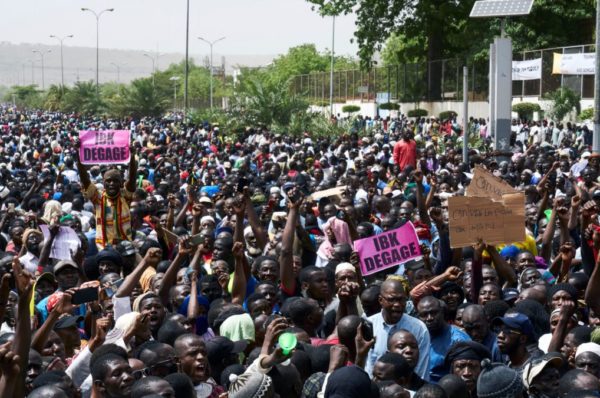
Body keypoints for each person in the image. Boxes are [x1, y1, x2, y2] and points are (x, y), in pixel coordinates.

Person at [366, 277, 431, 380]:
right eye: (391, 300)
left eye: (401, 299)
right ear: (380, 300)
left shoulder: (418, 328)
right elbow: (367, 366)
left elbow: (421, 372)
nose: (397, 304)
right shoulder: (368, 325)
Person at [417, 296, 470, 381]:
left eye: (433, 313)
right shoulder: (417, 336)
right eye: (424, 315)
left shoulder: (458, 340)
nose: (429, 318)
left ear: (442, 312)